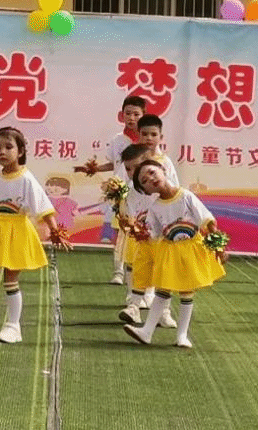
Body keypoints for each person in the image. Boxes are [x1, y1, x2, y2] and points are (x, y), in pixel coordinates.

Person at [0, 126, 70, 343]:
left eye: (9, 147)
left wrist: (55, 231)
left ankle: (13, 326)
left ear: (21, 151)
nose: (2, 152)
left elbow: (43, 207)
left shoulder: (26, 179)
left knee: (10, 280)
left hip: (17, 231)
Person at [123, 159, 227, 349]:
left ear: (163, 170)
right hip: (169, 251)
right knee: (163, 289)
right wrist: (138, 231)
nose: (151, 179)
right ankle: (146, 331)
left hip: (190, 249)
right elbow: (153, 233)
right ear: (146, 191)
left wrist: (219, 246)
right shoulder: (155, 207)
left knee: (187, 292)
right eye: (145, 181)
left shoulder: (185, 195)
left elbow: (207, 220)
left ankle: (182, 336)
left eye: (152, 172)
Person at [76, 95, 146, 282]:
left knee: (138, 231)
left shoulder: (145, 141)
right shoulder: (117, 140)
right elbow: (113, 164)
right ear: (122, 115)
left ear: (143, 116)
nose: (131, 118)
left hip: (140, 193)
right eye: (128, 114)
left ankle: (136, 270)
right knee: (120, 230)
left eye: (136, 114)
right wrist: (94, 169)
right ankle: (118, 271)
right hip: (120, 192)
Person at [116, 142, 175, 331]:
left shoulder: (161, 185)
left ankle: (164, 312)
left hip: (164, 239)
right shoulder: (130, 190)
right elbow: (129, 213)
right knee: (140, 272)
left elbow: (173, 205)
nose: (132, 172)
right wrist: (130, 224)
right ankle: (134, 307)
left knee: (164, 276)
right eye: (128, 168)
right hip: (143, 239)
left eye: (136, 167)